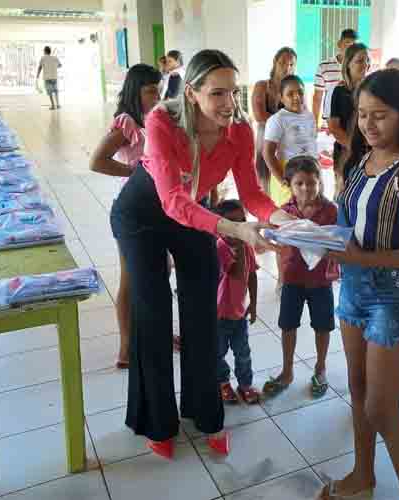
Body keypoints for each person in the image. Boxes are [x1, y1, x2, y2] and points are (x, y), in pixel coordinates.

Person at [112, 49, 295, 460]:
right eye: (218, 94)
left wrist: (288, 220)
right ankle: (157, 421)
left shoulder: (239, 132)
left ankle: (205, 413)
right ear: (192, 93)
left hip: (191, 214)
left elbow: (252, 194)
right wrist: (236, 230)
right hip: (143, 215)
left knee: (202, 313)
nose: (229, 104)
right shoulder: (162, 120)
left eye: (234, 92)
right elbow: (173, 199)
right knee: (154, 314)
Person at [324, 68, 399, 500]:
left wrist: (364, 258)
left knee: (382, 408)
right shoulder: (358, 160)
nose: (368, 125)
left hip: (391, 295)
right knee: (357, 390)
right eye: (361, 114)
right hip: (353, 287)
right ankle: (363, 475)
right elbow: (351, 224)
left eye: (380, 115)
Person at [89, 64, 162, 368]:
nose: (156, 96)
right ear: (135, 91)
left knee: (156, 275)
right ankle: (125, 346)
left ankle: (156, 334)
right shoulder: (126, 124)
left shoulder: (153, 120)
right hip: (134, 209)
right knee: (130, 279)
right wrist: (135, 173)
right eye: (149, 91)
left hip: (160, 207)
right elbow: (97, 161)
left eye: (158, 90)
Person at [261, 157, 336, 400]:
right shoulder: (283, 212)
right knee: (288, 326)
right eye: (299, 183)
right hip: (292, 279)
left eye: (312, 183)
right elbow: (273, 239)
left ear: (320, 182)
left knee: (322, 326)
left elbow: (338, 243)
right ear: (289, 185)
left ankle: (321, 368)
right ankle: (287, 371)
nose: (306, 189)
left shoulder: (331, 211)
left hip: (321, 281)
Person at [213, 200, 261, 405]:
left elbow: (251, 276)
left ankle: (245, 384)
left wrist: (254, 304)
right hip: (218, 316)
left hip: (239, 314)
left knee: (243, 353)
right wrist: (241, 245)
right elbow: (234, 271)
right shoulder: (220, 247)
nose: (240, 227)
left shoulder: (247, 247)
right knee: (218, 353)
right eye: (232, 223)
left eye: (242, 221)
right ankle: (223, 382)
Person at [262, 74, 315, 203]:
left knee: (311, 217)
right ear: (281, 98)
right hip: (288, 174)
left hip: (311, 172)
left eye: (300, 92)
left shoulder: (309, 115)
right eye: (290, 94)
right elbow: (267, 153)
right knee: (290, 218)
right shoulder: (277, 120)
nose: (297, 97)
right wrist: (284, 182)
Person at [252, 47, 297, 194]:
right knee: (265, 182)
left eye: (291, 64)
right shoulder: (262, 86)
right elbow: (259, 115)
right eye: (283, 62)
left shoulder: (296, 89)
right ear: (275, 63)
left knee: (286, 184)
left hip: (287, 143)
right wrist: (285, 122)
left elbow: (301, 115)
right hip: (265, 139)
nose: (286, 67)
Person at [329, 43, 370, 194]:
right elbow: (334, 127)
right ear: (348, 65)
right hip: (346, 153)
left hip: (368, 152)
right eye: (359, 61)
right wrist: (353, 146)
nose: (365, 65)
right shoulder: (340, 91)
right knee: (343, 193)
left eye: (367, 60)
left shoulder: (371, 90)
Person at [312, 28, 358, 128]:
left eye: (354, 45)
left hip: (353, 119)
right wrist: (315, 123)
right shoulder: (324, 66)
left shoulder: (360, 67)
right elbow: (317, 97)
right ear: (339, 44)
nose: (351, 48)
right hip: (329, 120)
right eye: (347, 43)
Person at [36, 46, 62, 110]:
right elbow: (60, 65)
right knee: (56, 91)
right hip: (54, 77)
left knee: (50, 92)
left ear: (45, 51)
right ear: (50, 51)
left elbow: (40, 67)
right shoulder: (55, 58)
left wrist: (37, 75)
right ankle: (58, 104)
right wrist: (54, 66)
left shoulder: (43, 58)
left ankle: (53, 105)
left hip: (47, 78)